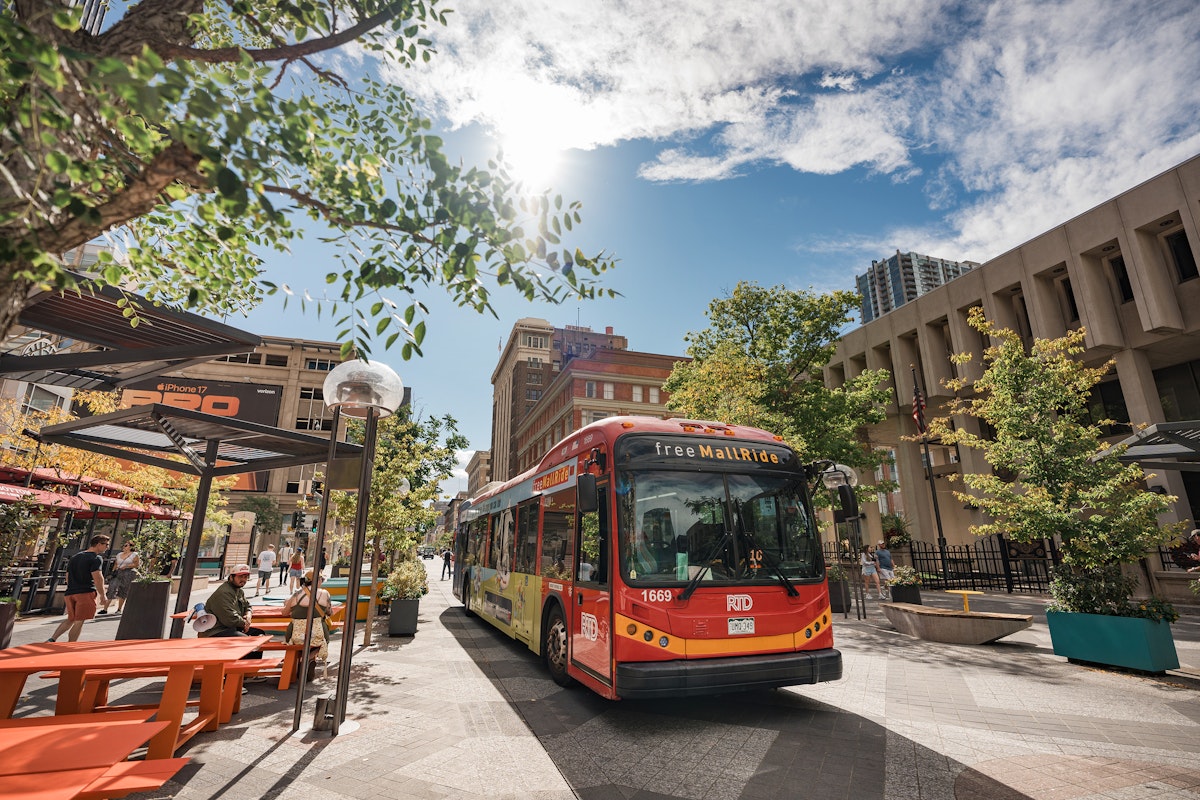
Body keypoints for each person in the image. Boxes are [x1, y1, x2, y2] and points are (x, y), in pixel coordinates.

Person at [48, 535, 109, 642]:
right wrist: (103, 595)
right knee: (79, 621)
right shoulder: (96, 558)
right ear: (99, 544)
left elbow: (67, 576)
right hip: (85, 593)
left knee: (70, 619)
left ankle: (52, 639)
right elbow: (98, 578)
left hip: (70, 592)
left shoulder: (75, 557)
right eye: (106, 544)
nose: (107, 547)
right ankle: (71, 645)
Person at [202, 564, 267, 652]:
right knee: (249, 642)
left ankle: (250, 664)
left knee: (259, 634)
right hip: (215, 631)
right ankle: (241, 664)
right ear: (231, 577)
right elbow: (230, 619)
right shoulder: (224, 593)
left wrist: (248, 614)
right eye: (240, 577)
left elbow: (248, 606)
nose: (244, 580)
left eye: (246, 577)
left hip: (231, 628)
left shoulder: (238, 590)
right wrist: (245, 623)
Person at [283, 570, 333, 680]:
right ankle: (309, 657)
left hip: (295, 636)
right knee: (324, 639)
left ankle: (301, 657)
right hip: (318, 635)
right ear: (318, 581)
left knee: (299, 641)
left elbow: (284, 613)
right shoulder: (324, 594)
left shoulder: (296, 594)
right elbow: (330, 612)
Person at [100, 541, 140, 615]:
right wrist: (112, 572)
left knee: (123, 590)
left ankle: (119, 609)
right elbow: (115, 564)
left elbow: (136, 564)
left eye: (126, 545)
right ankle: (105, 609)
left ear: (130, 547)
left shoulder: (134, 555)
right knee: (111, 588)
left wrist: (127, 566)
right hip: (118, 573)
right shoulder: (119, 554)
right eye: (124, 545)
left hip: (128, 573)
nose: (124, 547)